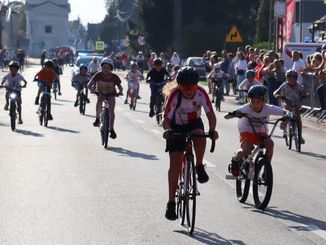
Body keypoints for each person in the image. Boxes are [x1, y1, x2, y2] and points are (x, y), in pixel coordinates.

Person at [162, 66, 219, 220]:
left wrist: (212, 129)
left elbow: (210, 115)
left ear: (196, 85)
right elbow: (166, 119)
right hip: (176, 126)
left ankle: (199, 165)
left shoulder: (201, 92)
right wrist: (167, 131)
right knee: (175, 164)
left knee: (200, 136)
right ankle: (171, 203)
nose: (188, 90)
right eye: (185, 87)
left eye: (192, 86)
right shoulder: (175, 95)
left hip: (194, 122)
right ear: (179, 86)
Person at [225, 85, 286, 177]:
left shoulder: (268, 108)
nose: (255, 104)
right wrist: (235, 114)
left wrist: (288, 116)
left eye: (258, 101)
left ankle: (266, 168)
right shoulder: (245, 108)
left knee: (270, 144)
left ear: (264, 101)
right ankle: (236, 159)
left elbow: (284, 112)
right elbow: (226, 116)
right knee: (246, 151)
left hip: (261, 133)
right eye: (252, 101)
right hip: (247, 133)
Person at [87, 58, 123, 139]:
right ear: (101, 67)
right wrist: (92, 90)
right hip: (101, 93)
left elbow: (120, 87)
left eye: (108, 68)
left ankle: (111, 129)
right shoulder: (98, 75)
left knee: (111, 110)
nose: (105, 69)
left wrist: (120, 92)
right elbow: (89, 84)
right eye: (104, 67)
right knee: (99, 101)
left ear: (111, 68)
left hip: (111, 94)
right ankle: (97, 119)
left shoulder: (114, 77)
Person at [273, 69, 307, 143]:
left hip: (296, 103)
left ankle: (300, 136)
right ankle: (285, 122)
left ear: (296, 78)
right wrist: (278, 95)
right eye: (289, 78)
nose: (291, 80)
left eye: (294, 78)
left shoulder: (299, 86)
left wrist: (304, 95)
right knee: (287, 108)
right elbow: (275, 92)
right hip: (286, 101)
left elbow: (305, 93)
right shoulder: (284, 85)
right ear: (286, 78)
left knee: (298, 117)